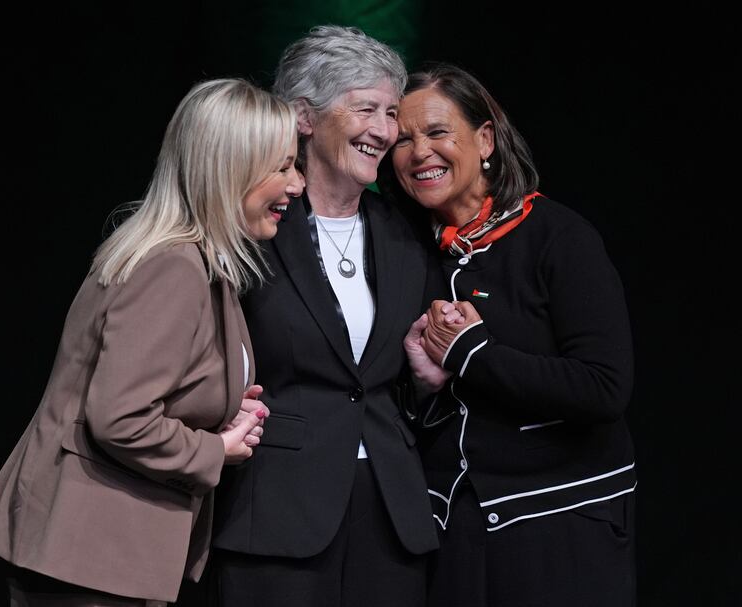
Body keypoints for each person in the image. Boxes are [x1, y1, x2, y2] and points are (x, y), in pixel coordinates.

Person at [0, 78, 304, 606]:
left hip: (103, 553)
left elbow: (148, 390)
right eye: (282, 166)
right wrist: (215, 448)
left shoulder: (199, 264)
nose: (297, 184)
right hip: (87, 553)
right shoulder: (173, 267)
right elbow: (120, 418)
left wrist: (224, 409)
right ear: (231, 168)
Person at [383, 62, 637, 606]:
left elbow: (604, 388)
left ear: (485, 139)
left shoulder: (560, 238)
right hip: (455, 530)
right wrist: (425, 387)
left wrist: (473, 354)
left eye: (436, 132)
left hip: (560, 525)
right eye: (402, 139)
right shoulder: (410, 250)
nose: (418, 152)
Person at [208, 25, 439, 607]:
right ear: (304, 118)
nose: (385, 131)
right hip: (279, 513)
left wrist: (422, 379)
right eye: (366, 109)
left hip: (391, 515)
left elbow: (384, 379)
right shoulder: (252, 229)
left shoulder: (406, 233)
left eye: (391, 112)